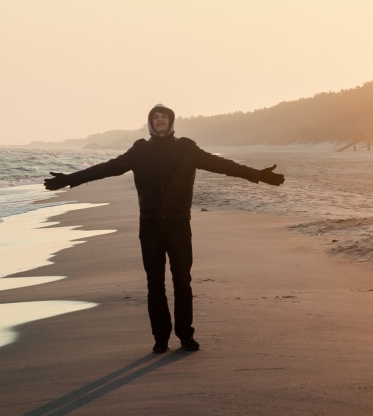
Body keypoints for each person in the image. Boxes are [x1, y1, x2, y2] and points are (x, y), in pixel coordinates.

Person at [44, 104, 285, 353]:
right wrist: (69, 180)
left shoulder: (186, 148)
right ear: (150, 123)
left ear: (171, 122)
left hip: (179, 223)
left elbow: (221, 164)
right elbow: (107, 168)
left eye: (164, 117)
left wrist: (257, 174)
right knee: (154, 283)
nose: (160, 120)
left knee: (182, 281)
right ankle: (160, 338)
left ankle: (185, 335)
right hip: (149, 225)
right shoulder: (140, 150)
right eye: (155, 117)